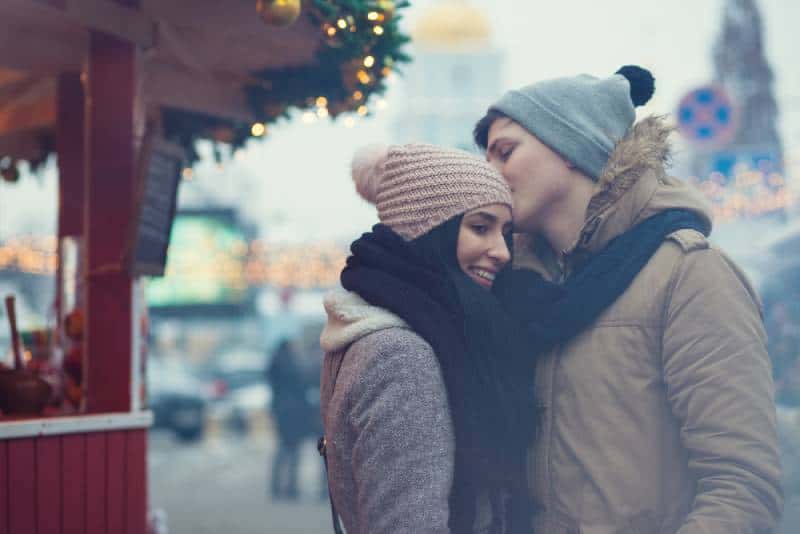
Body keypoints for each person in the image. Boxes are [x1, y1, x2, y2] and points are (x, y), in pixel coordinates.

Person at [472, 65, 783, 533]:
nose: (489, 174)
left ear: (570, 149)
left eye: (505, 152)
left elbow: (741, 486)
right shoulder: (519, 289)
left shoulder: (688, 274)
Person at [319, 144, 538, 533]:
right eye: (480, 227)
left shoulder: (385, 327)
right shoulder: (401, 355)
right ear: (428, 229)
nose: (502, 252)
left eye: (505, 232)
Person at [267, 339, 309, 500]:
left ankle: (277, 487)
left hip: (280, 412)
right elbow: (302, 386)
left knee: (283, 449)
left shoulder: (275, 366)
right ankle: (290, 487)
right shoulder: (292, 367)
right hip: (293, 414)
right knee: (293, 451)